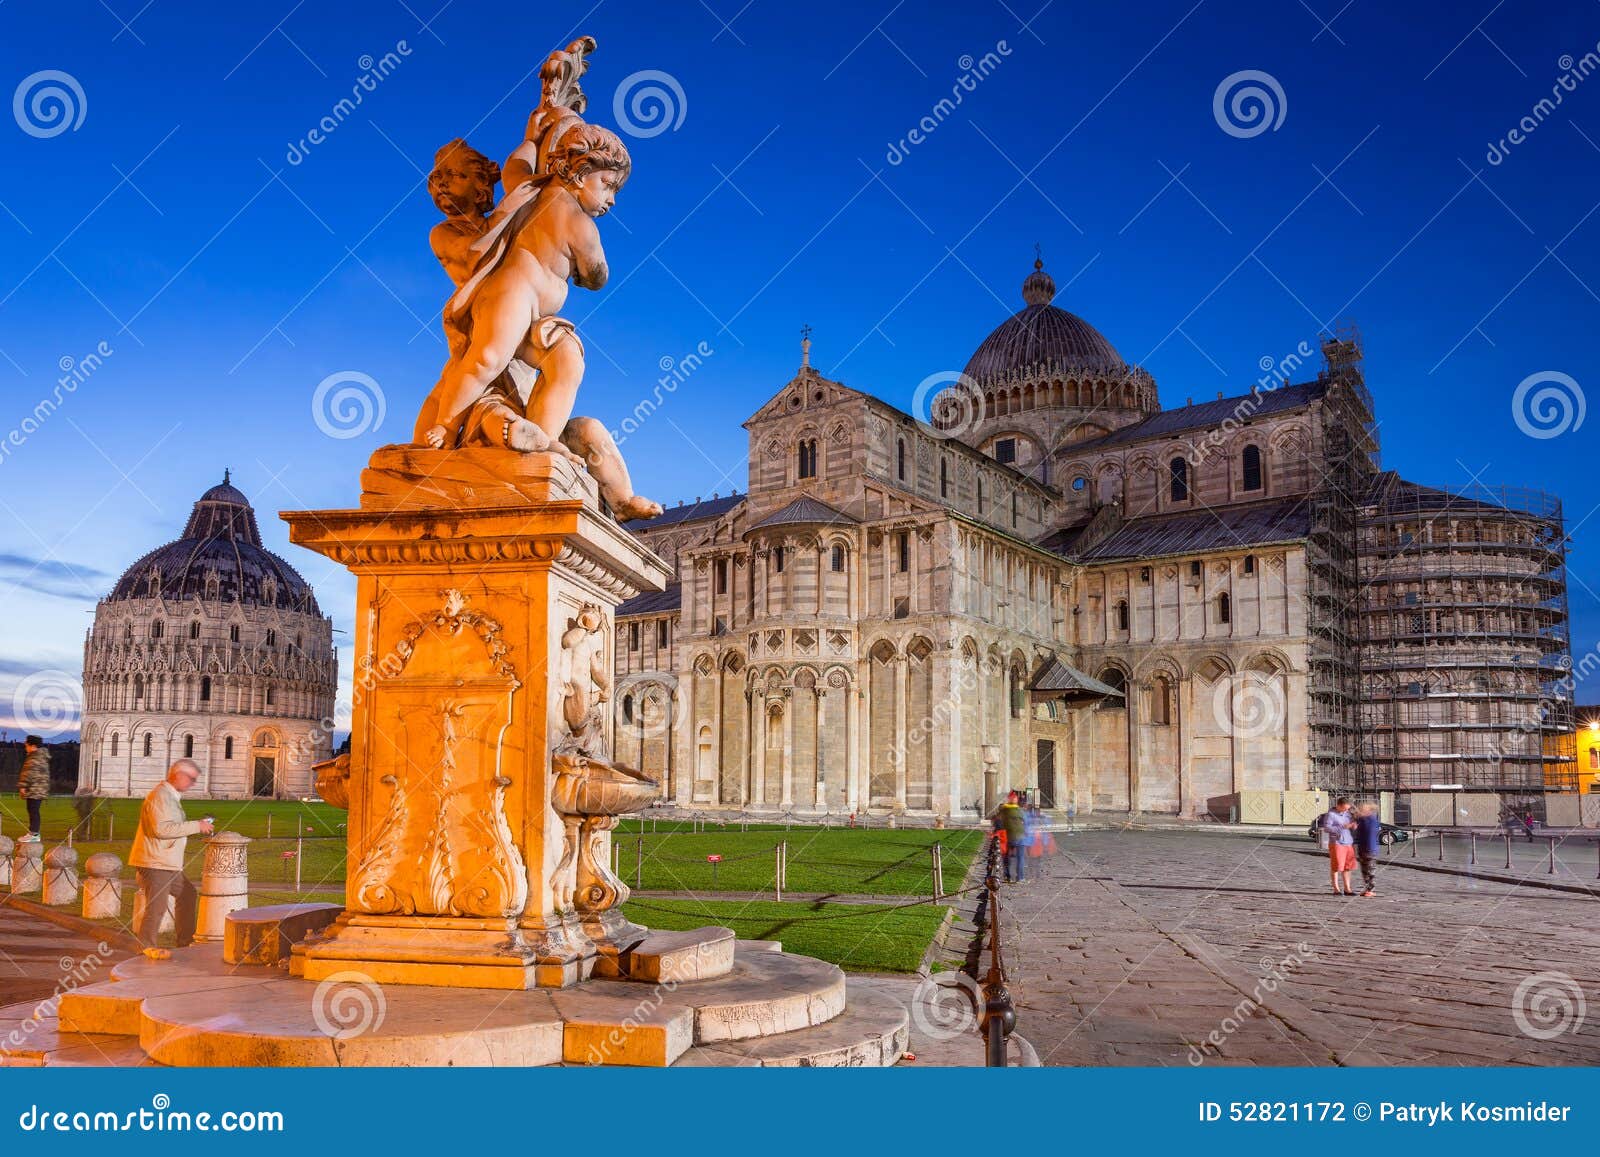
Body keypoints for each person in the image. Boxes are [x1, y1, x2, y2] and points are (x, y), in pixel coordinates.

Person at [129, 759, 214, 960]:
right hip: (155, 861)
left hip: (166, 862)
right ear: (178, 775)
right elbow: (161, 829)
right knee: (157, 906)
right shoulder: (161, 796)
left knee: (187, 894)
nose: (193, 783)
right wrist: (197, 826)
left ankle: (185, 941)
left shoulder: (169, 796)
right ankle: (145, 946)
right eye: (191, 778)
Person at [17, 734, 49, 842]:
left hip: (35, 789)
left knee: (33, 811)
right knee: (33, 810)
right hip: (39, 789)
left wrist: (22, 786)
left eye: (27, 745)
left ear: (33, 745)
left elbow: (28, 773)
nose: (25, 747)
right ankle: (33, 833)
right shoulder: (41, 757)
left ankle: (34, 834)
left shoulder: (34, 758)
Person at [1322, 797, 1356, 895]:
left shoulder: (1347, 814)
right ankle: (1336, 889)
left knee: (1347, 867)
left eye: (1347, 809)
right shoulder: (1331, 814)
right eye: (1345, 808)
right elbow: (1327, 828)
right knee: (1336, 866)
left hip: (1348, 842)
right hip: (1337, 843)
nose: (1346, 810)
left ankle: (1347, 889)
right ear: (1339, 806)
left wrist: (1353, 826)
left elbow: (1350, 824)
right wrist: (1342, 827)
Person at [992, 791, 1027, 884]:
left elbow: (997, 821)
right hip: (1019, 837)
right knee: (1020, 858)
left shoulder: (1003, 810)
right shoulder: (1019, 810)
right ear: (1015, 800)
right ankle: (1020, 878)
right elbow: (1025, 822)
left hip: (1008, 837)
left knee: (1006, 858)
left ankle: (1007, 877)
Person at [1353, 802, 1382, 898]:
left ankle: (1371, 889)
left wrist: (1368, 849)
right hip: (1362, 847)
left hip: (1370, 848)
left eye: (1362, 810)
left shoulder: (1371, 820)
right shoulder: (1362, 820)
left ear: (1368, 811)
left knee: (1370, 870)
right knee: (1364, 870)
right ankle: (1367, 888)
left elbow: (1369, 835)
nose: (1360, 811)